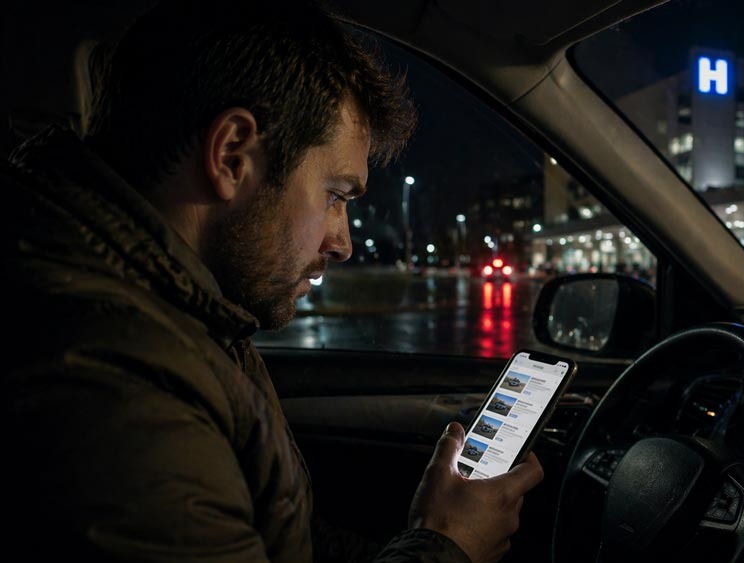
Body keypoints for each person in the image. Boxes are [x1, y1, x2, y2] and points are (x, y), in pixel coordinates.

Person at [1, 1, 543, 562]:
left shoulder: (195, 317)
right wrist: (445, 546)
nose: (343, 243)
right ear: (232, 155)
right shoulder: (110, 386)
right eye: (335, 196)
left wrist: (423, 543)